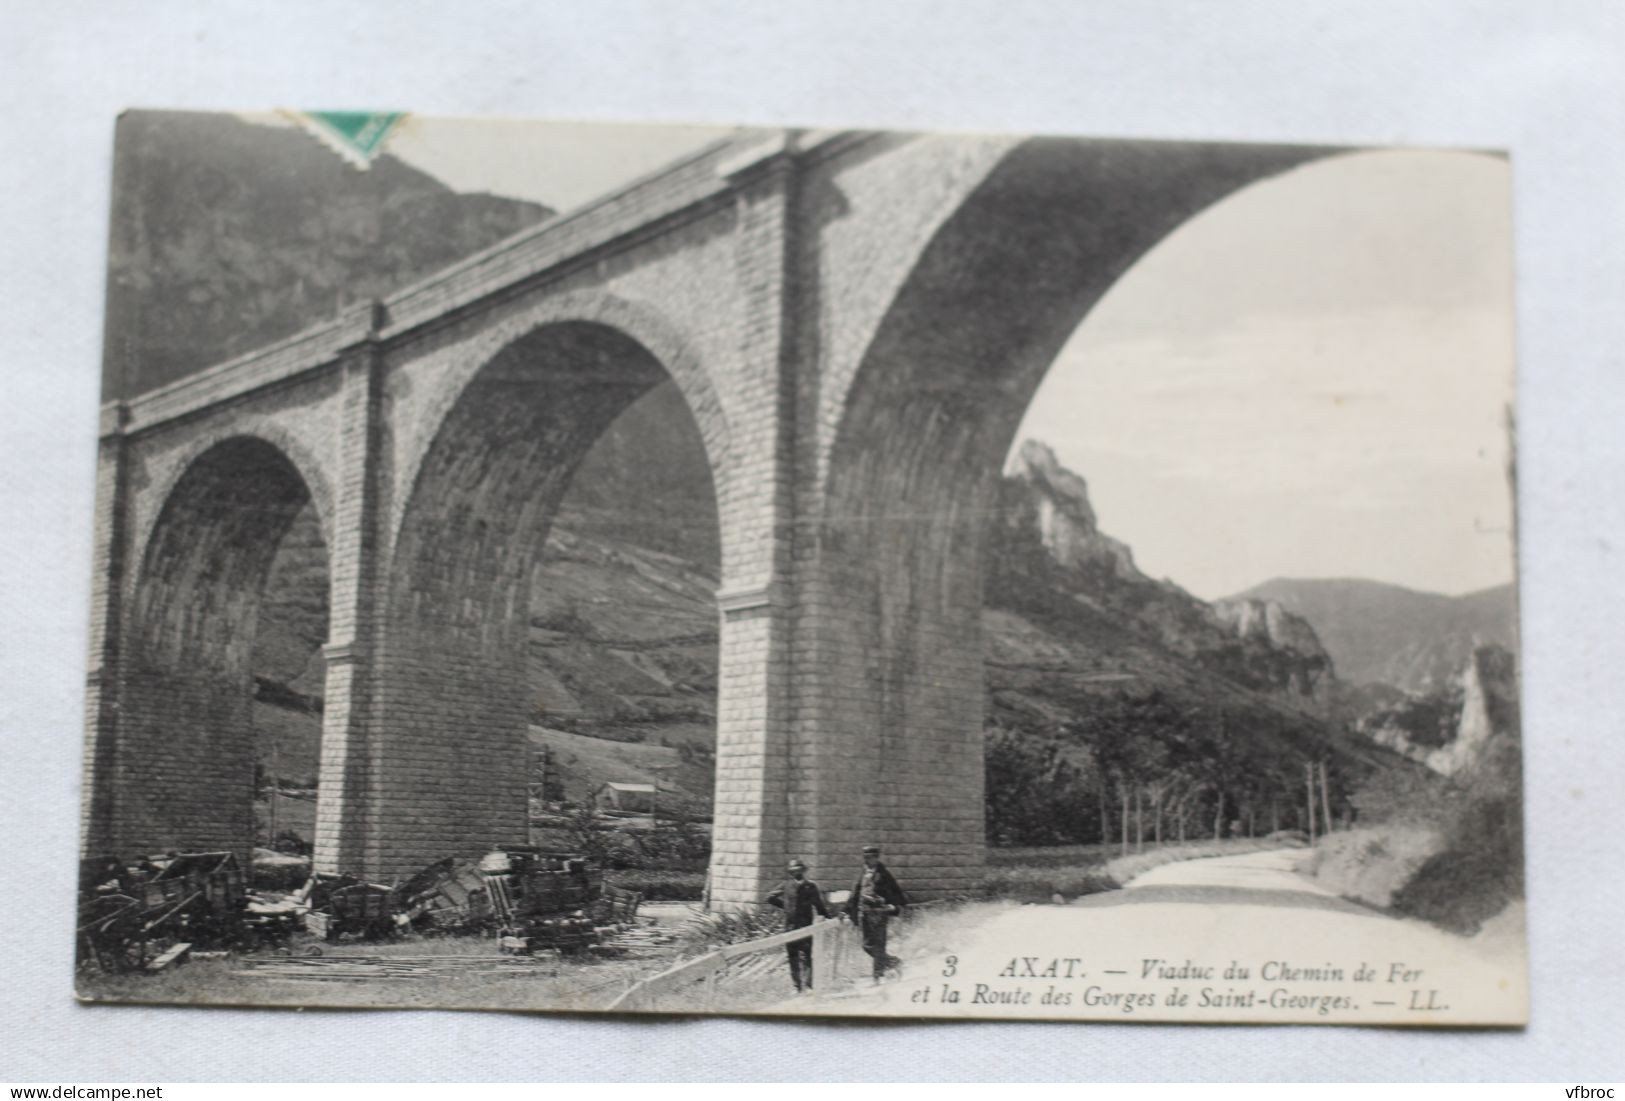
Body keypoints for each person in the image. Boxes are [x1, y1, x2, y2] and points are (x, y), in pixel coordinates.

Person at [765, 858, 831, 993]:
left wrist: (829, 918)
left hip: (806, 927)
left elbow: (819, 906)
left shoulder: (811, 886)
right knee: (792, 957)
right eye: (793, 871)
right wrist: (786, 907)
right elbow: (770, 897)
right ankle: (797, 986)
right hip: (790, 927)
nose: (796, 873)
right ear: (790, 872)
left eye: (799, 870)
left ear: (803, 871)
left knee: (807, 956)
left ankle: (809, 985)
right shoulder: (786, 885)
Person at [845, 844, 908, 981]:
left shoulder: (883, 874)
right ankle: (893, 962)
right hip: (864, 913)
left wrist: (893, 906)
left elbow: (896, 892)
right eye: (865, 857)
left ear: (876, 858)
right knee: (867, 945)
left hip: (879, 914)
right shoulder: (862, 872)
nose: (867, 860)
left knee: (879, 944)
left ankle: (877, 976)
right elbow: (854, 894)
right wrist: (846, 911)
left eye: (870, 858)